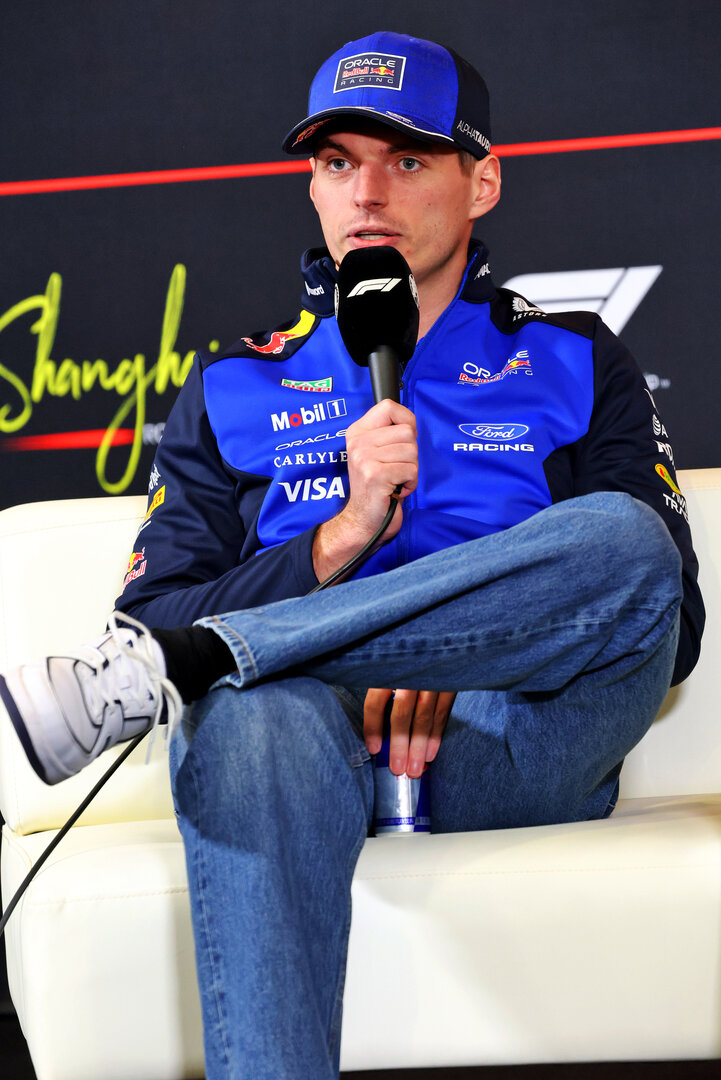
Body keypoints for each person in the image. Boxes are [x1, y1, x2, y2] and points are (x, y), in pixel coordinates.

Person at [0, 30, 705, 1080]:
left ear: (482, 182)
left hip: (513, 738)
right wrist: (340, 539)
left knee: (624, 541)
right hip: (292, 736)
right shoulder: (233, 386)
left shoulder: (572, 355)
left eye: (407, 159)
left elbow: (660, 614)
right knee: (249, 714)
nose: (366, 193)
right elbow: (152, 620)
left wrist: (443, 653)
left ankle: (226, 659)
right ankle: (238, 665)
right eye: (337, 163)